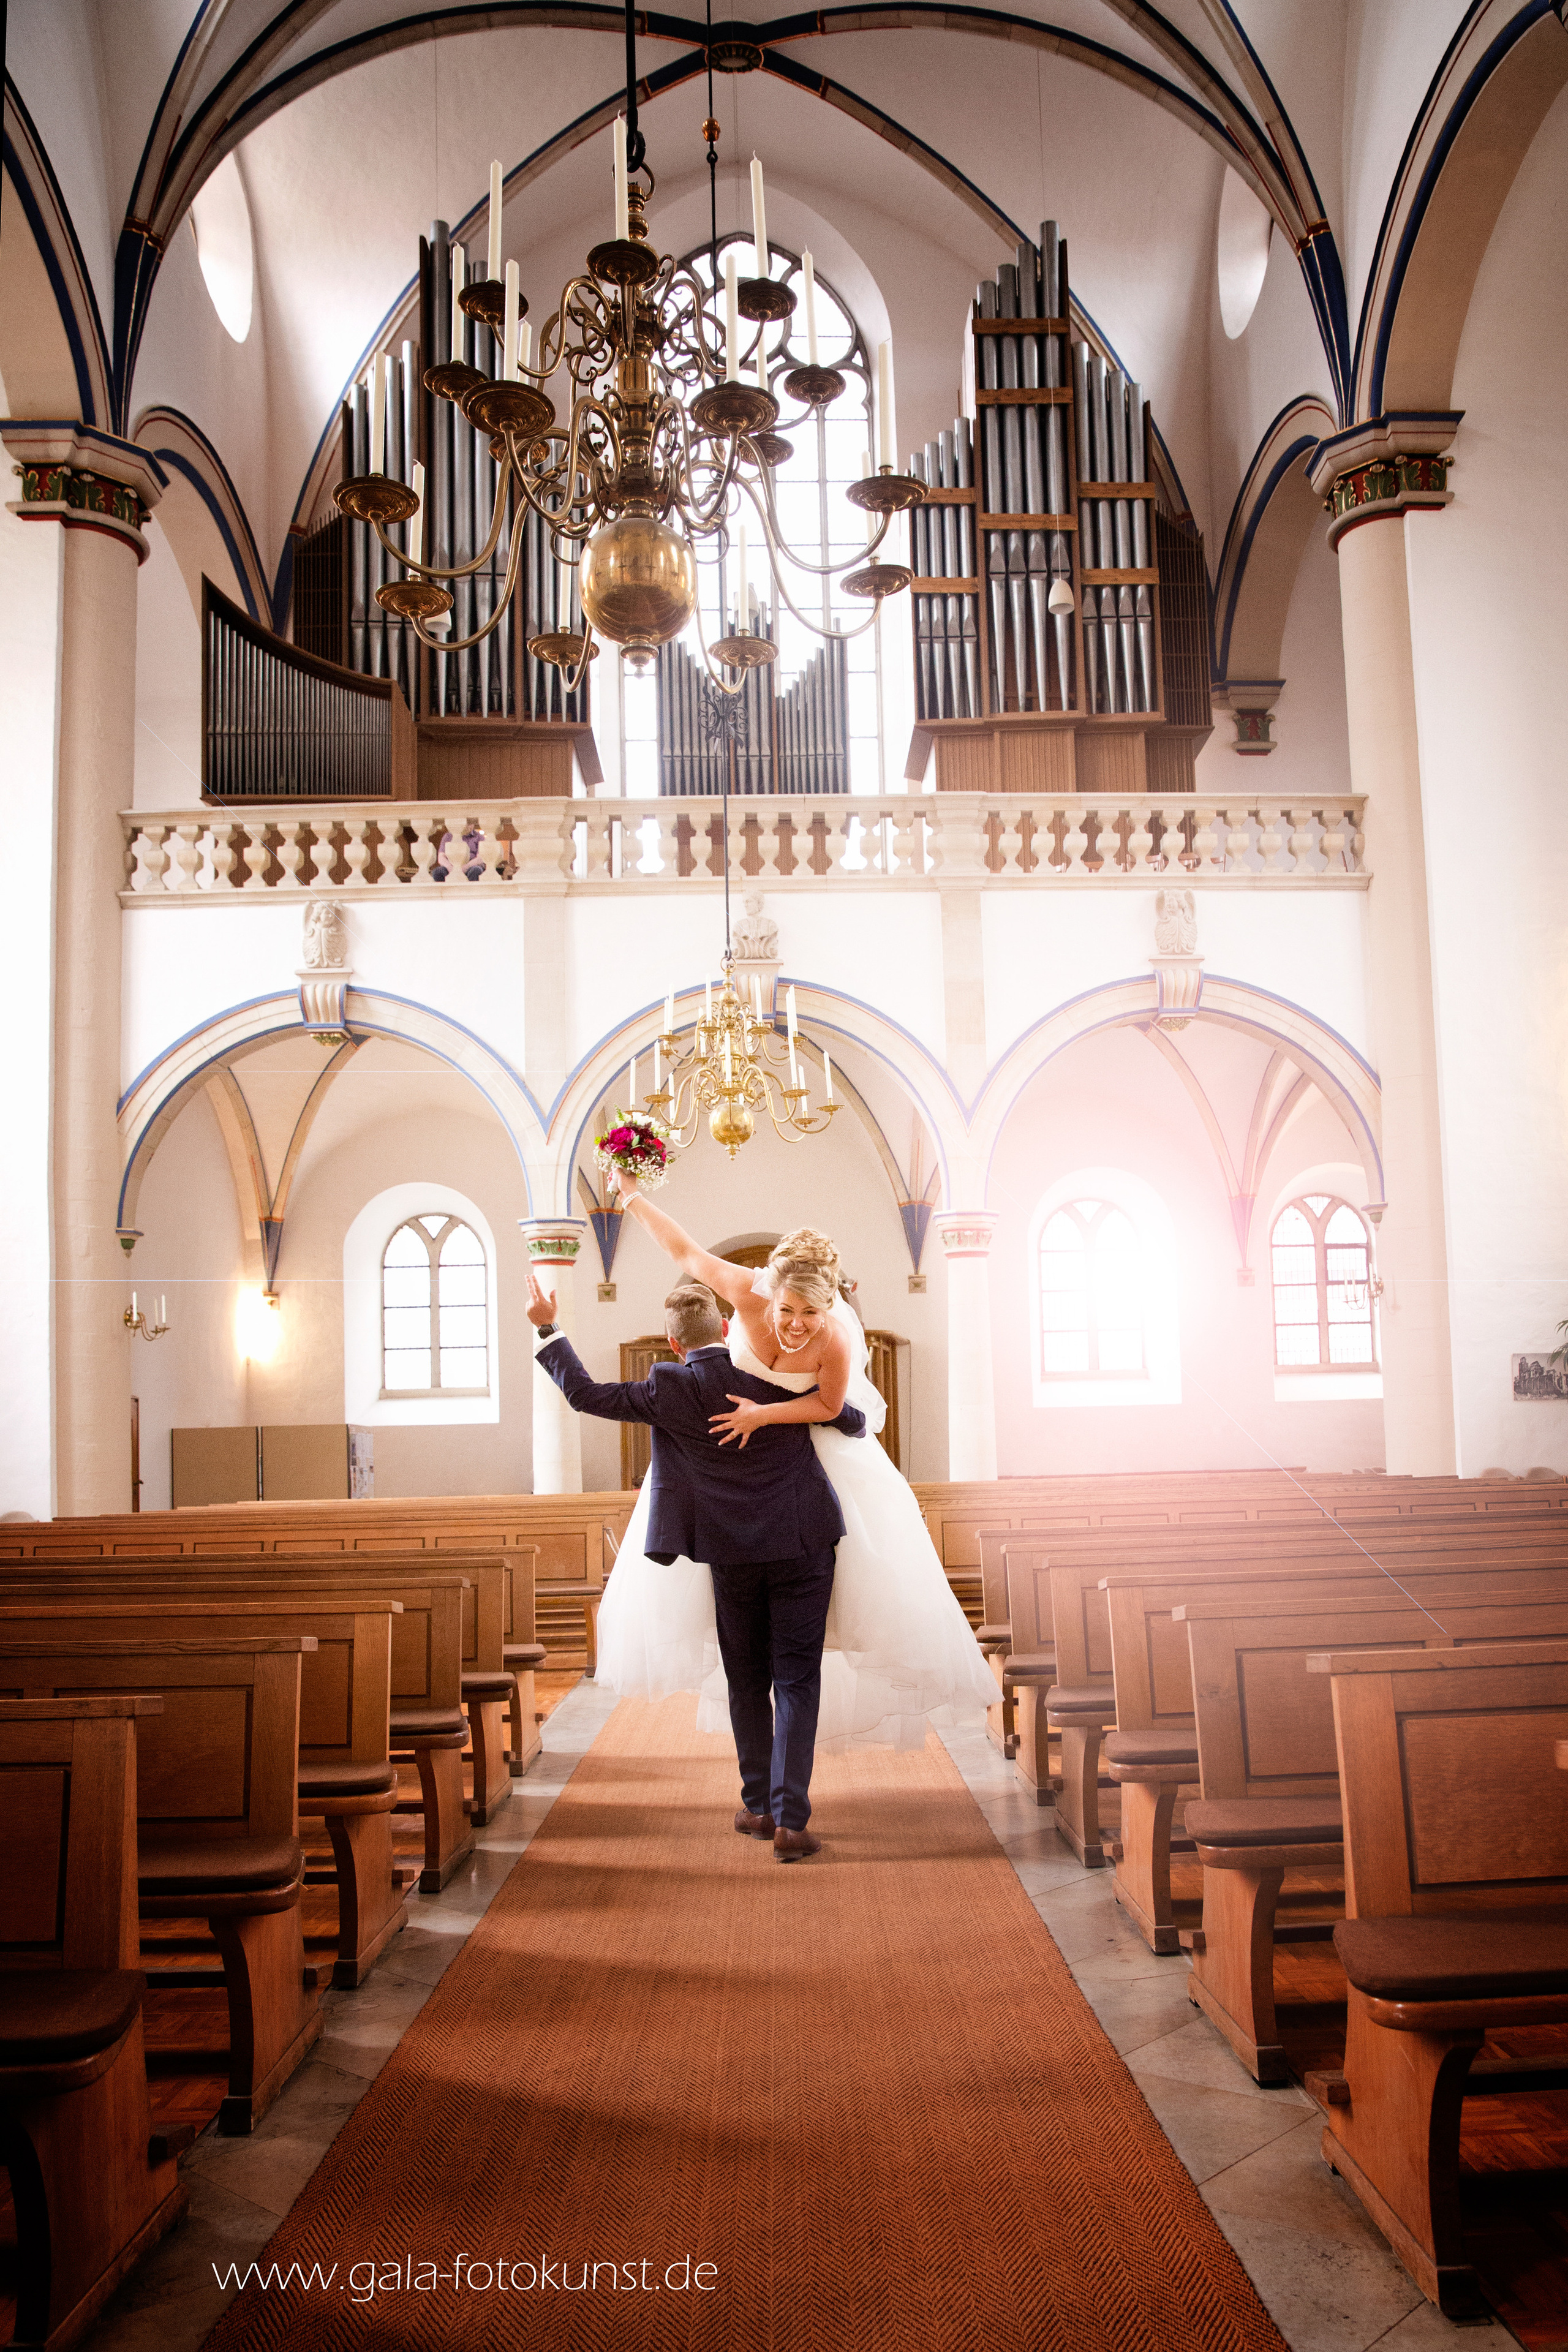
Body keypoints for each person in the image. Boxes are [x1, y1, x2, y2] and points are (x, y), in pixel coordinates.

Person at [598, 1174, 999, 1763]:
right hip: (735, 1476)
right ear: (770, 1292)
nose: (795, 1325)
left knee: (836, 1598)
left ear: (829, 1307)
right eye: (787, 1310)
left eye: (811, 1313)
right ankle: (761, 1776)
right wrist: (631, 1195)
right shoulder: (745, 1291)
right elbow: (684, 1251)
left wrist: (762, 1415)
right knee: (733, 1634)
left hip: (807, 1460)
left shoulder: (833, 1340)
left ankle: (790, 1767)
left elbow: (830, 1407)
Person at [526, 1268, 868, 1860]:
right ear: (728, 1328)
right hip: (803, 1540)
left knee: (746, 1678)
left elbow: (584, 1394)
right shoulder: (772, 1369)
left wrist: (547, 1328)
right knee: (796, 1678)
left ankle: (759, 1807)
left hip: (731, 1552)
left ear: (673, 1343)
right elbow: (851, 1420)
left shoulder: (667, 1387)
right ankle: (792, 1822)